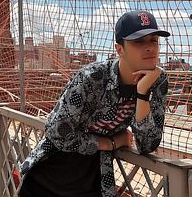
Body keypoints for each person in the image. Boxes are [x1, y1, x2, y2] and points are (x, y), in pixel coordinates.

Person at [19, 10, 170, 197]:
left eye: (153, 40)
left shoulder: (158, 81)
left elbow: (147, 145)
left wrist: (143, 93)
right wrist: (110, 143)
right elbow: (57, 132)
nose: (149, 48)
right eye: (139, 42)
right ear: (119, 49)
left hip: (93, 184)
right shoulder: (92, 78)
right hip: (47, 181)